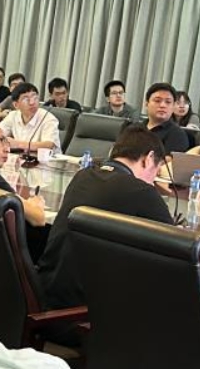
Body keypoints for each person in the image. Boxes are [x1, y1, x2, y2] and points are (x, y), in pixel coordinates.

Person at [36, 127, 172, 308]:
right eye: (156, 170)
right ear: (149, 158)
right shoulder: (142, 191)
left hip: (47, 292)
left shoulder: (82, 176)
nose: (153, 179)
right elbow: (175, 247)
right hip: (86, 309)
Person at [1, 82, 61, 153]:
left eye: (35, 97)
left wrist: (17, 144)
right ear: (16, 105)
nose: (32, 102)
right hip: (23, 157)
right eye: (26, 99)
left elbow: (48, 145)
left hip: (48, 159)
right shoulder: (13, 116)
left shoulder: (48, 118)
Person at [144, 82, 196, 154]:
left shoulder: (178, 135)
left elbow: (169, 160)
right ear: (147, 104)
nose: (162, 105)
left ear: (173, 106)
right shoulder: (134, 128)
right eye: (157, 101)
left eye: (168, 102)